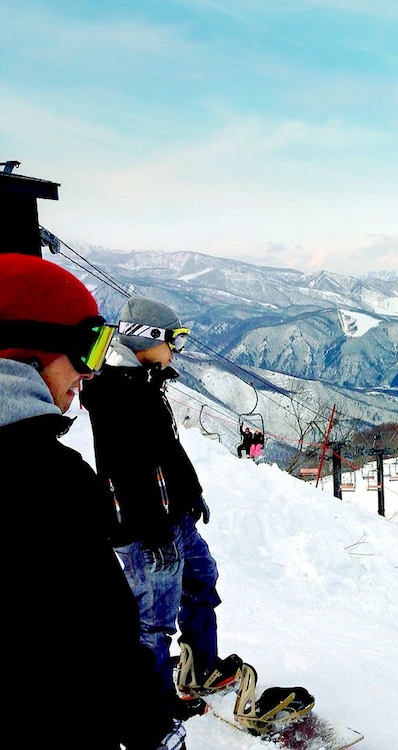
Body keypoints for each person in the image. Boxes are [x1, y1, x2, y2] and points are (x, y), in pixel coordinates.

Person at [0, 256, 185, 749]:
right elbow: (102, 636)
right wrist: (153, 729)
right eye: (87, 350)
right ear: (28, 354)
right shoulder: (45, 480)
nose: (89, 372)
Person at [80, 295, 243, 706]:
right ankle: (152, 704)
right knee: (154, 620)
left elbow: (168, 451)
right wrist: (151, 531)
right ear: (146, 339)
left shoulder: (147, 384)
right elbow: (124, 474)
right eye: (175, 339)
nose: (178, 349)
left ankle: (200, 667)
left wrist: (192, 495)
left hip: (174, 519)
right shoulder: (114, 393)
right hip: (145, 530)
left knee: (202, 580)